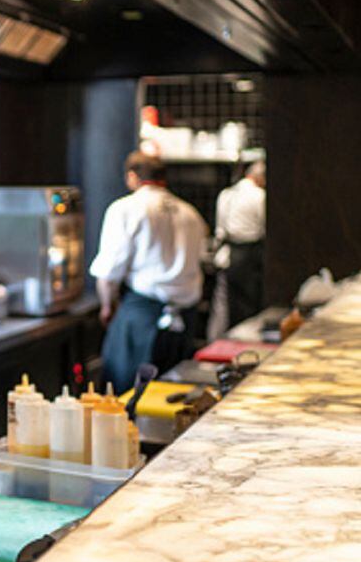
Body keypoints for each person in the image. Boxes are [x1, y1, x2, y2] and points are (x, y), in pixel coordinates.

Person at [90, 152, 208, 392]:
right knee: (173, 397)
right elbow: (201, 261)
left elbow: (109, 271)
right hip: (184, 320)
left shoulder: (126, 208)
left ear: (132, 177)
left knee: (125, 398)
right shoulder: (190, 213)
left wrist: (106, 305)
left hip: (142, 315)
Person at [213, 160, 266, 328]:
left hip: (228, 253)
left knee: (225, 303)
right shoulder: (259, 196)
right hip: (249, 252)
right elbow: (264, 227)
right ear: (261, 178)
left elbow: (220, 230)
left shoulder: (226, 194)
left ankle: (223, 340)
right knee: (249, 303)